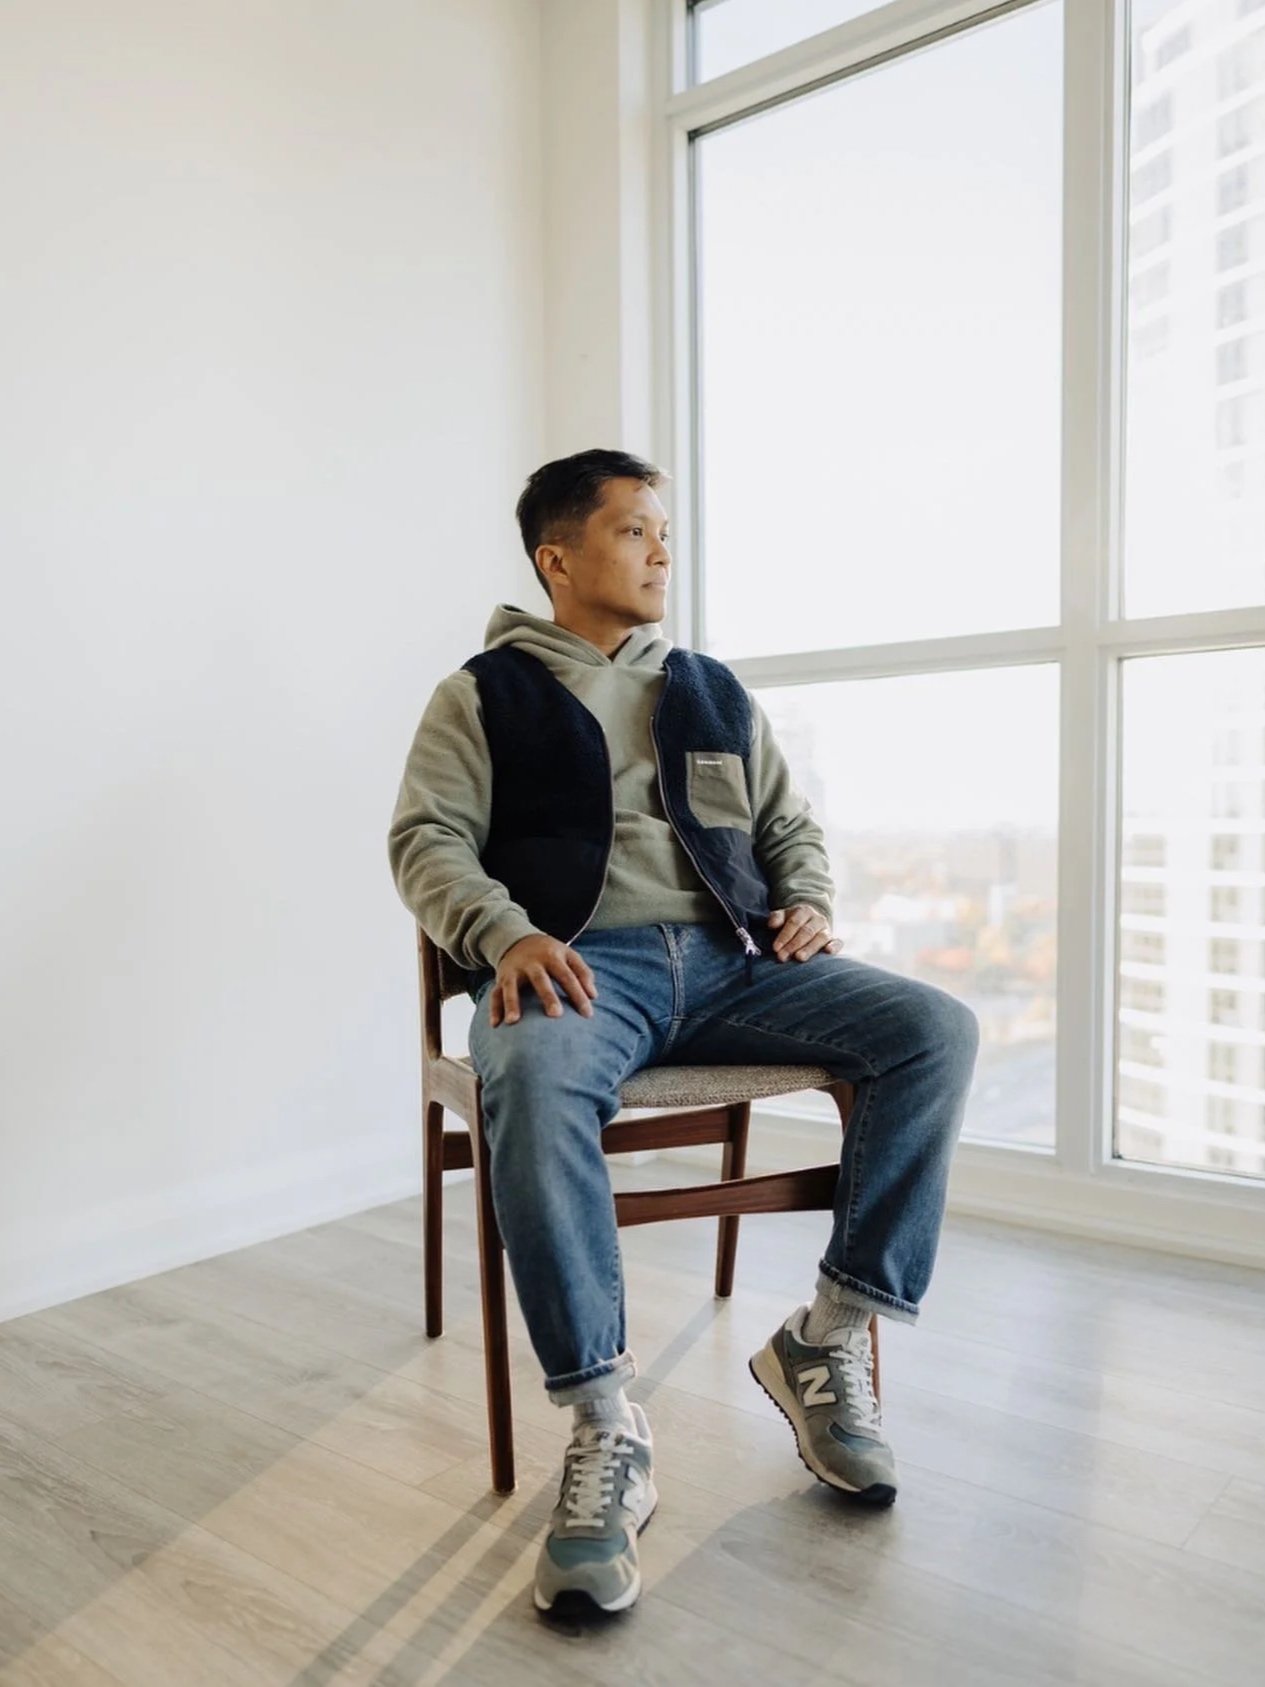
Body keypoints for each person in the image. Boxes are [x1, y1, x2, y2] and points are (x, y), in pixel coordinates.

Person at [387, 447, 980, 1616]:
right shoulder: (480, 693)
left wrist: (806, 898)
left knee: (931, 1028)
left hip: (731, 962)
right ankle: (605, 1420)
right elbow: (425, 842)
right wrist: (503, 936)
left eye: (666, 530)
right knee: (526, 1067)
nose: (663, 549)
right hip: (577, 969)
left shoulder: (709, 687)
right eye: (633, 530)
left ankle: (825, 1336)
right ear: (557, 557)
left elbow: (783, 825)